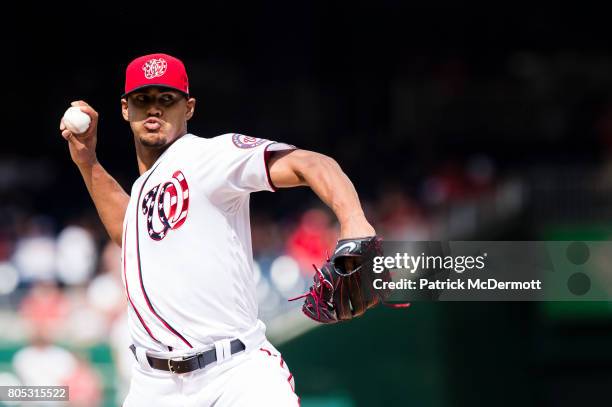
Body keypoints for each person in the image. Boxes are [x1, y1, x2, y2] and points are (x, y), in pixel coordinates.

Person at [60, 53, 376, 406]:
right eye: (142, 99)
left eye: (167, 99)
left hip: (234, 375)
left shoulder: (211, 156)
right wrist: (88, 162)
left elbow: (311, 163)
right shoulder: (142, 189)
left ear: (189, 108)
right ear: (125, 109)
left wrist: (354, 223)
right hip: (153, 386)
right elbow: (129, 234)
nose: (154, 109)